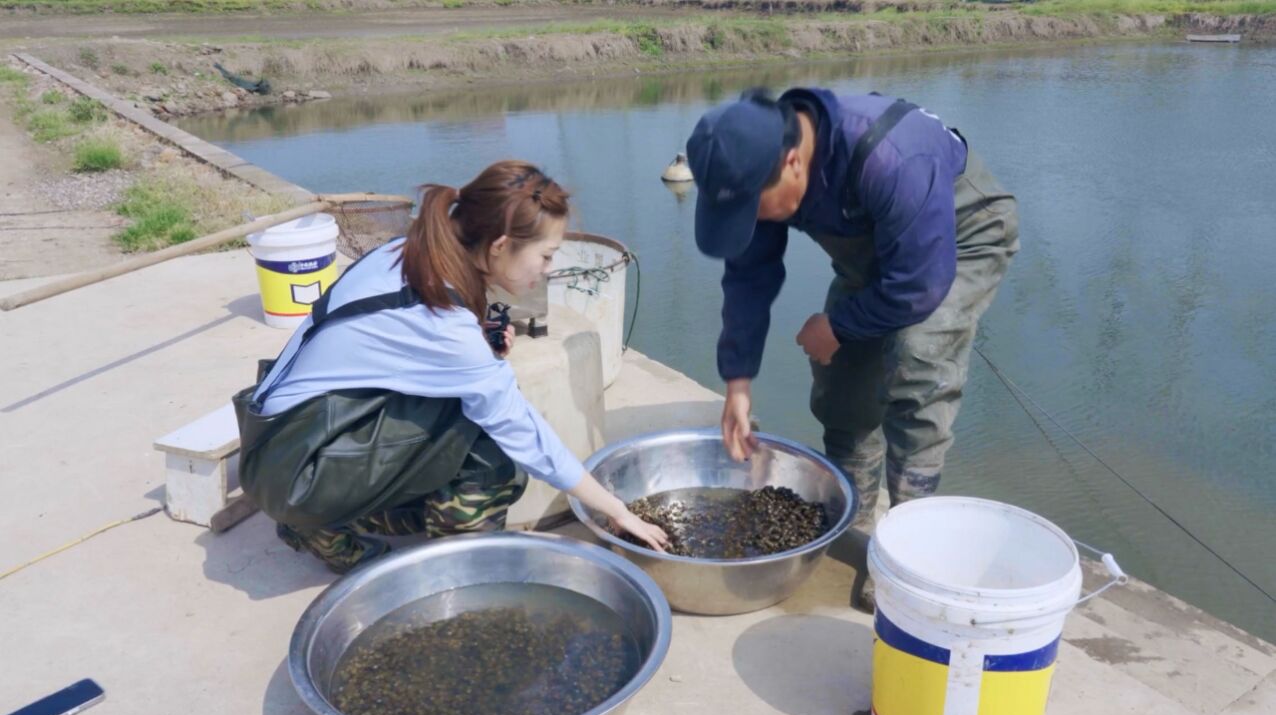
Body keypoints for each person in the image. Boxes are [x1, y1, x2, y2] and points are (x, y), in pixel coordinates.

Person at [233, 160, 667, 574]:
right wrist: (616, 509)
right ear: (499, 246)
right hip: (296, 470)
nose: (549, 270)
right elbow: (527, 436)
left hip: (281, 440)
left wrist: (480, 343)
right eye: (547, 256)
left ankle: (325, 516)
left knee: (469, 409)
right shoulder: (446, 326)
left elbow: (410, 341)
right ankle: (452, 564)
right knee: (490, 448)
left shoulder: (406, 250)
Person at [685, 88, 1019, 609]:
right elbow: (749, 275)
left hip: (957, 239)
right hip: (881, 254)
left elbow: (919, 287)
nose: (754, 219)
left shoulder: (892, 158)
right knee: (841, 379)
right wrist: (738, 384)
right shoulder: (763, 166)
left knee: (918, 361)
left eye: (755, 208)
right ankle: (854, 522)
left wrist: (838, 324)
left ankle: (911, 553)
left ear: (793, 162)